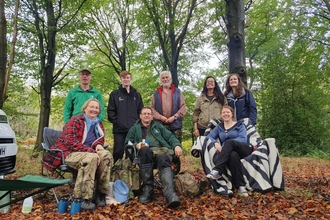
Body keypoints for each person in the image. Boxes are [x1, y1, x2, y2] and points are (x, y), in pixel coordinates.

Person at [43, 98, 113, 210]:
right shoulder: (76, 120)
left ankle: (100, 194)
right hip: (69, 153)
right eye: (91, 106)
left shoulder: (99, 124)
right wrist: (91, 151)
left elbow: (98, 140)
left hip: (90, 152)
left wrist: (98, 145)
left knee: (106, 156)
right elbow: (69, 141)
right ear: (85, 108)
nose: (94, 109)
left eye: (97, 108)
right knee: (90, 158)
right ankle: (81, 199)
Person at [125, 107, 182, 208]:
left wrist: (176, 145)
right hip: (144, 155)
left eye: (149, 114)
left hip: (160, 152)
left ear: (152, 116)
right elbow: (127, 143)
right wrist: (136, 145)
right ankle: (148, 190)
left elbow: (171, 137)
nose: (147, 115)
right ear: (140, 116)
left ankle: (170, 194)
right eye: (144, 113)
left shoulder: (158, 127)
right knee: (144, 150)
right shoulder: (134, 129)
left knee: (164, 157)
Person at [206, 105, 252, 197]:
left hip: (243, 148)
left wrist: (227, 145)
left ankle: (218, 170)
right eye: (223, 112)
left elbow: (243, 139)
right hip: (230, 152)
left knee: (229, 143)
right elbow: (209, 136)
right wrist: (215, 143)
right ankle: (241, 186)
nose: (225, 114)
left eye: (227, 112)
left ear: (232, 114)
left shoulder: (239, 124)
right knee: (232, 156)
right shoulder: (219, 127)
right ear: (221, 115)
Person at [107, 70, 143, 163]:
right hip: (119, 130)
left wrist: (137, 124)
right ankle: (115, 172)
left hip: (133, 130)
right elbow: (111, 112)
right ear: (121, 79)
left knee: (131, 151)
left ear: (130, 79)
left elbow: (141, 111)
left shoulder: (136, 95)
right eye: (124, 78)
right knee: (118, 152)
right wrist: (118, 122)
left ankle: (131, 172)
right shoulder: (115, 94)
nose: (126, 80)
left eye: (127, 78)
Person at [150, 71, 187, 143]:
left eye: (167, 77)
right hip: (160, 125)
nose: (165, 79)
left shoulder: (177, 91)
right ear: (160, 80)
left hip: (175, 124)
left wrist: (174, 117)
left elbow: (183, 107)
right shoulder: (156, 93)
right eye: (163, 78)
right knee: (162, 148)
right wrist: (161, 117)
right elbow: (152, 109)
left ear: (170, 79)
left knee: (176, 147)